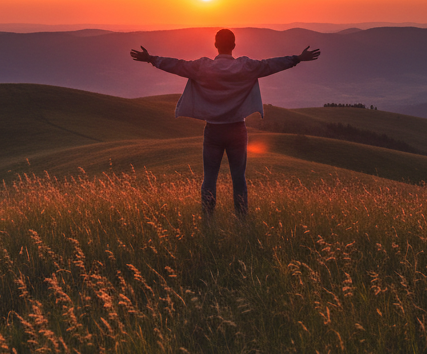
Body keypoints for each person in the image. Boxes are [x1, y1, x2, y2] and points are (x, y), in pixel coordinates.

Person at [131, 29, 320, 224]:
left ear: (215, 45)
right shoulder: (245, 66)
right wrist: (297, 58)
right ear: (234, 45)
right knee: (239, 178)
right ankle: (241, 220)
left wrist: (151, 58)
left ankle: (208, 219)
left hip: (213, 130)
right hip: (238, 130)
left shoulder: (202, 67)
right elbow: (270, 65)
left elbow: (177, 65)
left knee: (209, 177)